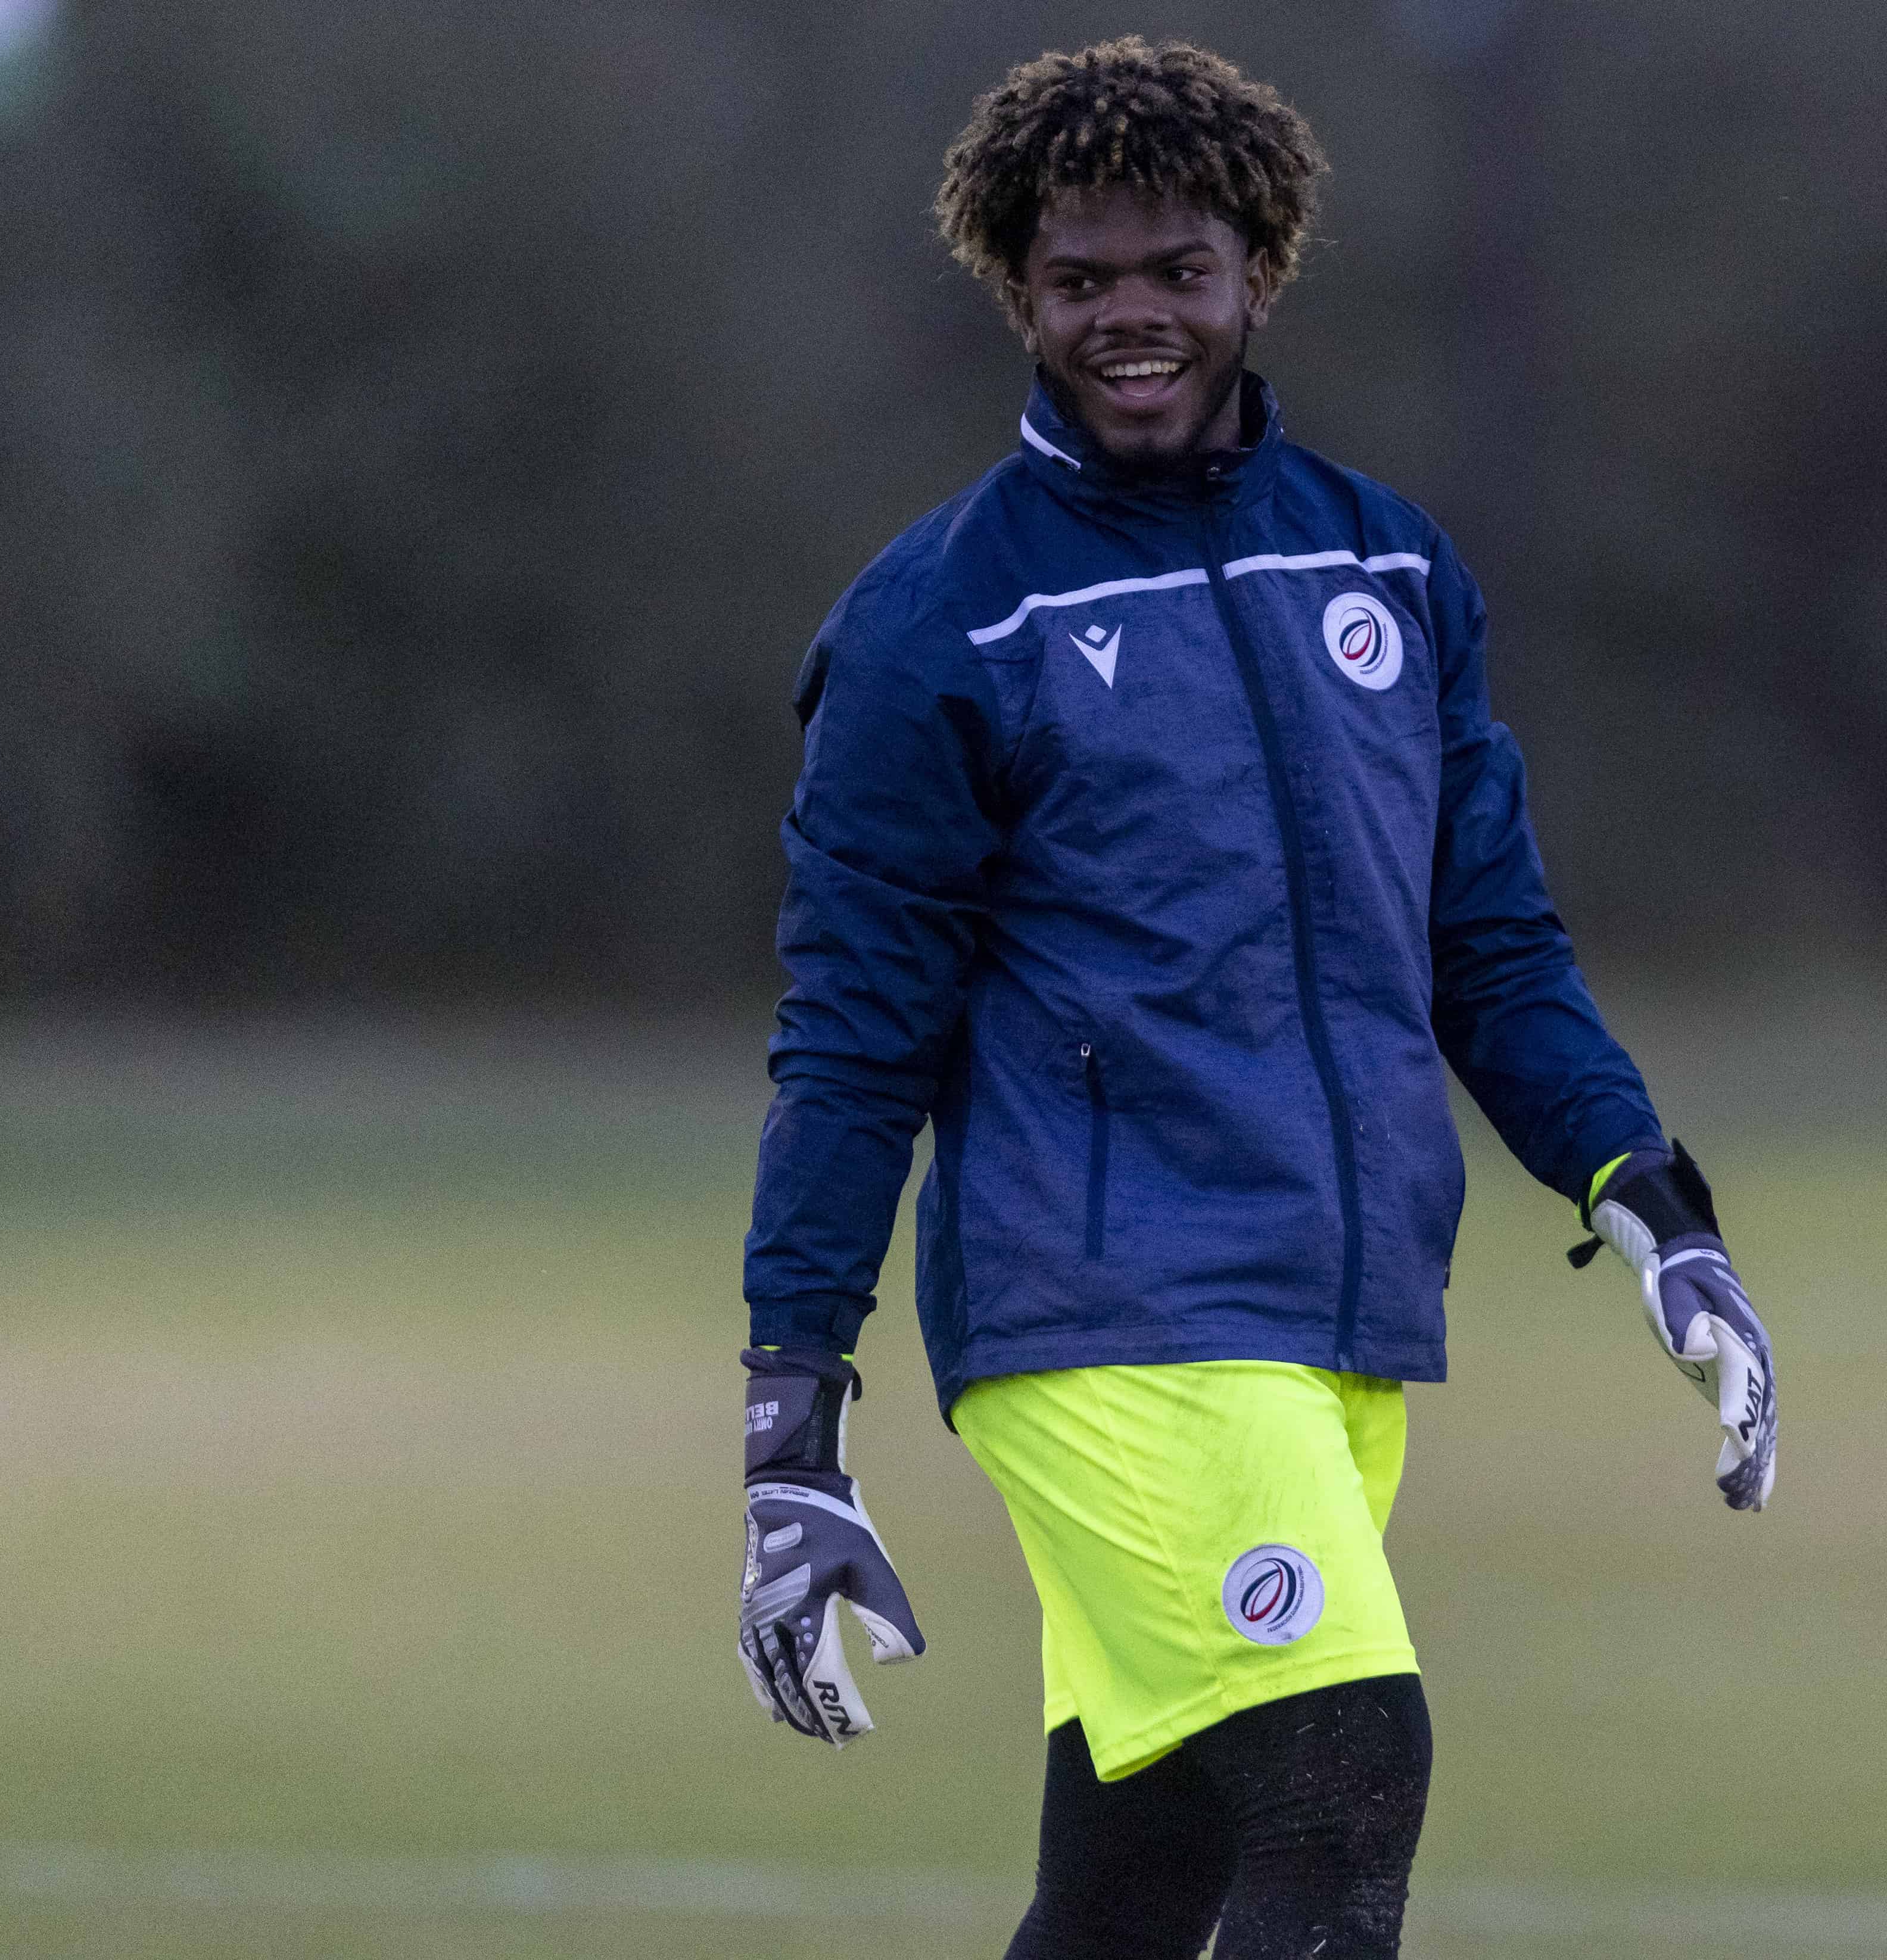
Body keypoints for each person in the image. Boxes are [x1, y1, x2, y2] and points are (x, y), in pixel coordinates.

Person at [735, 36, 1776, 1960]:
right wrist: (790, 1421)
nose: (1129, 319)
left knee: (1139, 1885)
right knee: (1345, 1778)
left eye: (1174, 272)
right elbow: (853, 1037)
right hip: (1104, 1314)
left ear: (1258, 273)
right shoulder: (936, 622)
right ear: (1017, 293)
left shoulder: (1388, 564)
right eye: (1079, 281)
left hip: (1337, 1319)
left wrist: (1651, 1201)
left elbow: (1493, 948)